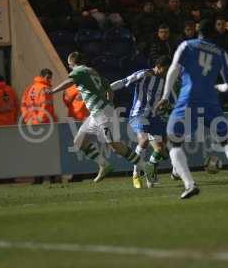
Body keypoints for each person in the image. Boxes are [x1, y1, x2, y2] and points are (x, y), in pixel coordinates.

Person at [155, 19, 228, 199]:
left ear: (197, 30)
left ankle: (189, 184)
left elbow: (173, 69)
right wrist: (216, 88)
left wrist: (165, 96)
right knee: (227, 141)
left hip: (189, 97)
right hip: (210, 100)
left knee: (174, 142)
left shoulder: (187, 45)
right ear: (214, 33)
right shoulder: (221, 52)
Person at [51, 52, 155, 182]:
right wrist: (110, 102)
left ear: (71, 63)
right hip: (97, 114)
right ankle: (104, 165)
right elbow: (108, 87)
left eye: (69, 65)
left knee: (115, 146)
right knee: (79, 142)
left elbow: (69, 81)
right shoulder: (92, 71)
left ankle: (146, 167)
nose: (69, 68)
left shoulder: (79, 70)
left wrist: (52, 91)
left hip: (102, 113)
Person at [110, 56, 174, 188]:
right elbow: (124, 82)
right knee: (144, 140)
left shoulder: (165, 80)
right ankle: (135, 174)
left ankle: (149, 172)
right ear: (159, 66)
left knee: (161, 148)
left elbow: (168, 98)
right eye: (165, 69)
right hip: (138, 114)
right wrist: (107, 89)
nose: (166, 72)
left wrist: (166, 105)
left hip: (154, 117)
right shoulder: (143, 74)